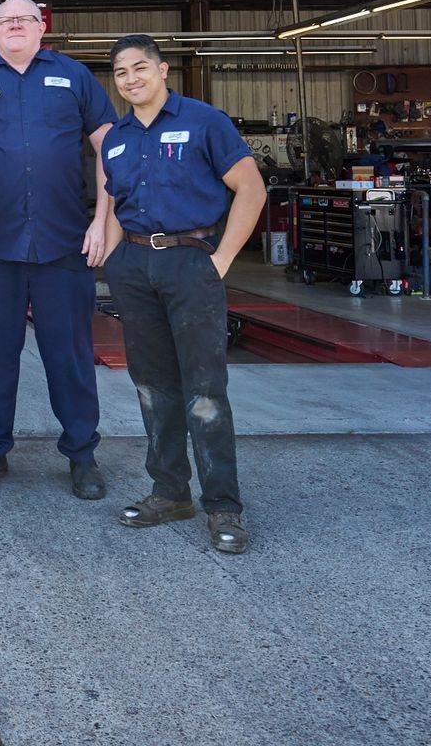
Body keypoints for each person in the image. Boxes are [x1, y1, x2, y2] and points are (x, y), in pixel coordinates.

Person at [98, 34, 266, 554]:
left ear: (163, 69)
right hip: (134, 266)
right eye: (121, 72)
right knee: (152, 385)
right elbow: (113, 203)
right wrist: (112, 261)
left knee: (205, 390)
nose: (131, 79)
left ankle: (224, 506)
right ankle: (170, 493)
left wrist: (221, 260)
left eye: (140, 67)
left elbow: (251, 188)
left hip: (191, 261)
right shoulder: (116, 138)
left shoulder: (204, 121)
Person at [0, 0, 116, 502]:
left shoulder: (75, 77)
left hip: (64, 243)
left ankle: (82, 454)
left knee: (70, 355)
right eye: (6, 20)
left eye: (24, 19)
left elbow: (110, 149)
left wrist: (102, 222)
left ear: (42, 27)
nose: (15, 26)